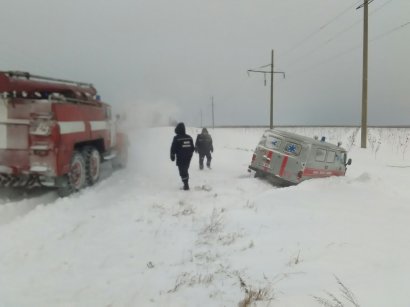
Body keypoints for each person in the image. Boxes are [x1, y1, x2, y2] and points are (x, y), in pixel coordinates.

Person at [170, 122, 194, 190]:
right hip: (188, 157)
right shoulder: (189, 137)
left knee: (182, 171)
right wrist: (189, 154)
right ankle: (186, 183)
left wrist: (172, 155)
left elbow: (173, 147)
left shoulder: (176, 138)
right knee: (185, 170)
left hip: (180, 157)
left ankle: (186, 185)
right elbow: (192, 148)